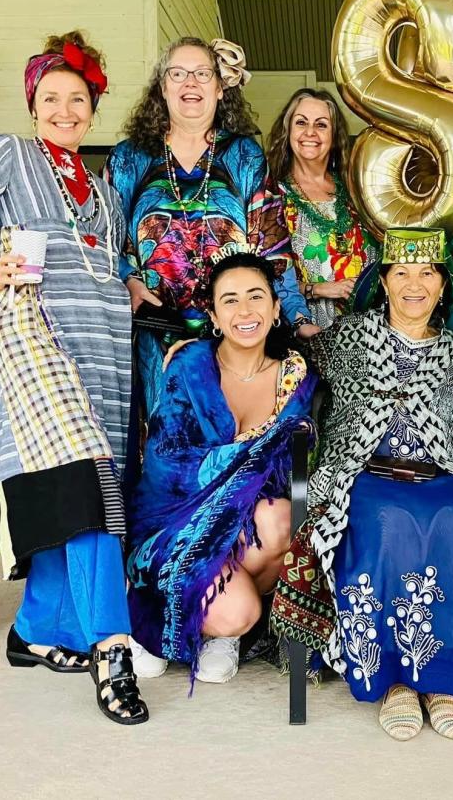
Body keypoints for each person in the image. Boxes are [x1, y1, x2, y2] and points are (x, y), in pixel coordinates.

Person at [0, 31, 147, 725]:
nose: (65, 110)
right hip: (36, 344)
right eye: (51, 98)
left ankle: (36, 630)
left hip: (104, 353)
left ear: (93, 108)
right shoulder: (4, 155)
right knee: (86, 489)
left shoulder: (105, 193)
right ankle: (113, 651)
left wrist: (130, 287)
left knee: (85, 488)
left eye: (78, 99)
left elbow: (105, 267)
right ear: (32, 104)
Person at [272, 228, 453, 742]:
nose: (413, 284)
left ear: (444, 286)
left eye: (427, 273)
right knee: (387, 521)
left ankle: (444, 682)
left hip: (441, 474)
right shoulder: (349, 336)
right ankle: (394, 682)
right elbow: (294, 368)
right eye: (400, 272)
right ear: (383, 281)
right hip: (362, 471)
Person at [126, 250, 315, 684]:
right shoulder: (190, 366)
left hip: (242, 526)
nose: (245, 311)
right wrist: (245, 462)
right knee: (240, 611)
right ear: (212, 313)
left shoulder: (295, 374)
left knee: (281, 517)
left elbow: (286, 468)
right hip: (174, 522)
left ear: (274, 307)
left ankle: (218, 630)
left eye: (256, 297)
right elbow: (169, 465)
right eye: (230, 300)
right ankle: (164, 610)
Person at [106, 37, 315, 416]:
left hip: (233, 337)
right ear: (163, 87)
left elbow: (272, 249)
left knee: (226, 442)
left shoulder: (243, 156)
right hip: (150, 337)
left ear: (220, 88)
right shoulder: (128, 159)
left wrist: (299, 319)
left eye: (203, 74)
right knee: (163, 450)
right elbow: (104, 241)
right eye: (178, 73)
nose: (191, 83)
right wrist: (129, 279)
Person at [265, 87, 376, 329]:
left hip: (369, 328)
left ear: (335, 135)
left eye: (321, 125)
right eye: (301, 122)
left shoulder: (355, 191)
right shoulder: (273, 196)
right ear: (288, 132)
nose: (310, 132)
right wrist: (318, 289)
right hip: (309, 329)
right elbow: (264, 275)